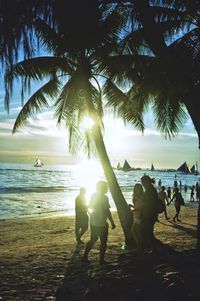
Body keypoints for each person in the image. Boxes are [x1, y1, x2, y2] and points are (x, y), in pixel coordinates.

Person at [83, 181, 116, 264]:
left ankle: (85, 256)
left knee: (93, 239)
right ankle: (101, 260)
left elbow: (88, 206)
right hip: (101, 222)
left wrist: (90, 213)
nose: (107, 188)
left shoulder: (93, 195)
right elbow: (107, 211)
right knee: (103, 241)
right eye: (106, 187)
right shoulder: (105, 198)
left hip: (93, 221)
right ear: (102, 188)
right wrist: (112, 222)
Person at [141, 175, 159, 252]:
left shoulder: (149, 190)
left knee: (148, 231)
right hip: (152, 214)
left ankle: (153, 249)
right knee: (149, 231)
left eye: (142, 182)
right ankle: (152, 248)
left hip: (149, 214)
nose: (142, 184)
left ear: (146, 182)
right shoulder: (151, 189)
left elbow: (148, 203)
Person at [131, 183, 144, 254]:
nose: (137, 190)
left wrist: (134, 210)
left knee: (135, 231)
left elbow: (142, 209)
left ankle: (140, 247)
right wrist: (132, 207)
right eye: (136, 189)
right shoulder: (137, 197)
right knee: (136, 232)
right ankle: (139, 247)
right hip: (136, 216)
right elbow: (137, 207)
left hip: (139, 216)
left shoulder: (141, 197)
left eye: (138, 189)